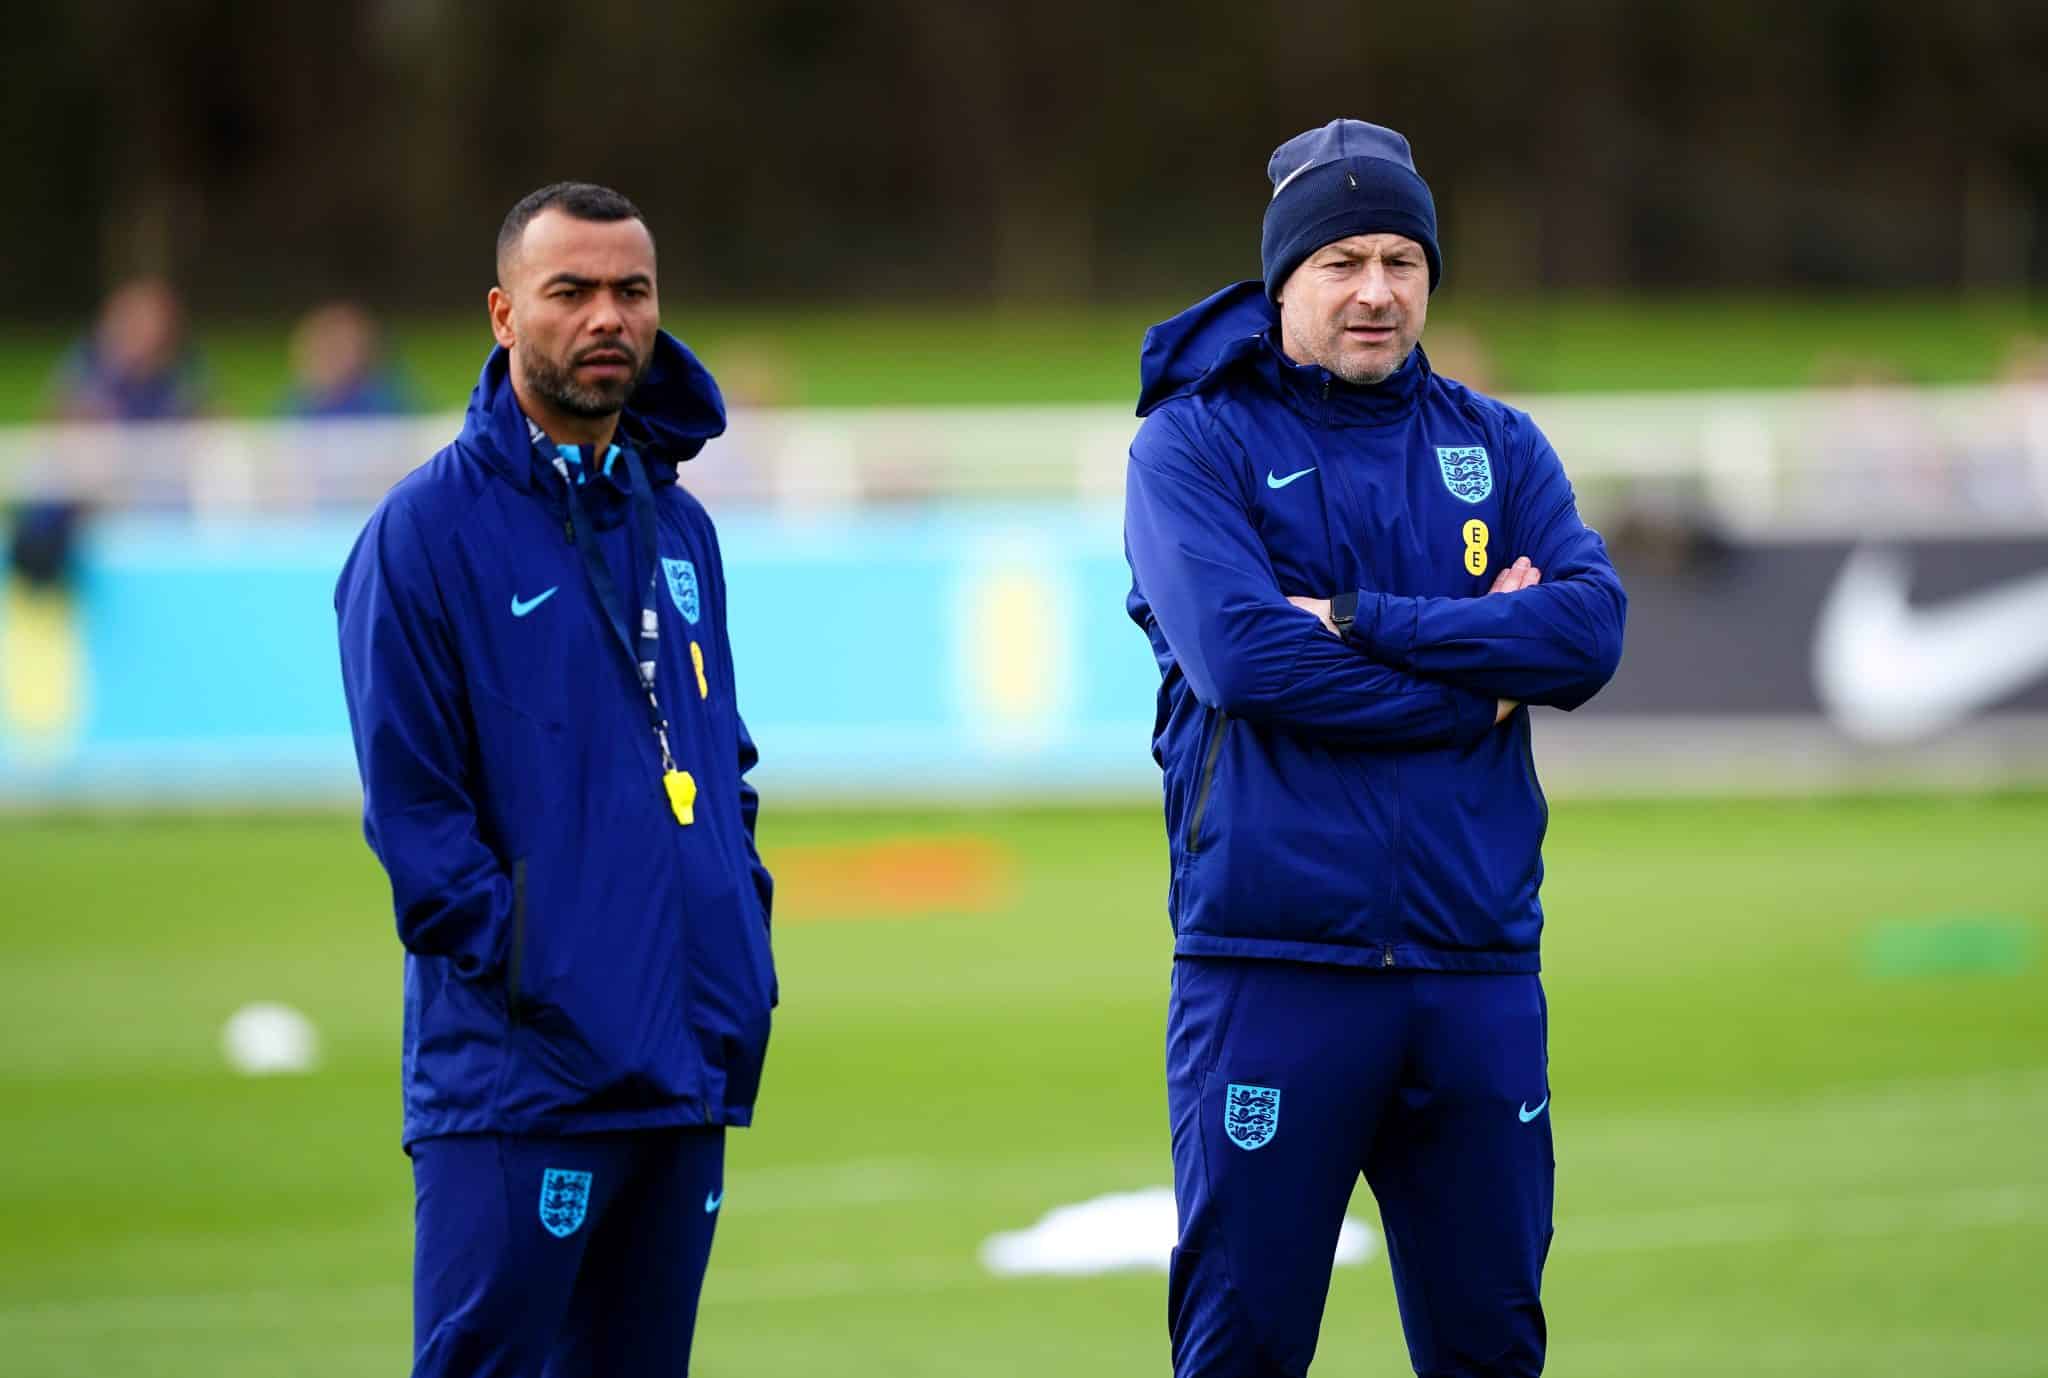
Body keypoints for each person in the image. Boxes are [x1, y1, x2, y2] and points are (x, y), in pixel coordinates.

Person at [1123, 120, 1626, 1377]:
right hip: (1273, 967)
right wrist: (1475, 673)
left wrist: (1364, 620)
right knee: (1242, 1345)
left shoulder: (1496, 444)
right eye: (1341, 259)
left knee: (1492, 1345)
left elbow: (1584, 632)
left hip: (1474, 969)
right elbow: (1245, 661)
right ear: (1281, 278)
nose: (1375, 291)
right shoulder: (1193, 444)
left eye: (1401, 260)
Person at [334, 182, 775, 1378]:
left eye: (630, 292)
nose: (606, 318)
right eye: (569, 291)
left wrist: (733, 936)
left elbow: (719, 763)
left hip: (680, 1066)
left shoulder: (676, 525)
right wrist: (544, 971)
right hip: (523, 1082)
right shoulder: (423, 533)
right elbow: (417, 819)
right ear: (501, 313)